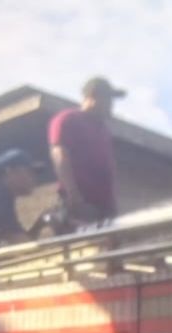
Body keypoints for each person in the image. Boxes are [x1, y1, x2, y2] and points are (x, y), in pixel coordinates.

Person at [48, 77, 125, 229]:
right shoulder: (68, 119)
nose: (111, 105)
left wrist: (112, 206)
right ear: (93, 97)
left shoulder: (103, 129)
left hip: (104, 207)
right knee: (86, 246)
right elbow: (60, 154)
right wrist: (72, 193)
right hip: (82, 204)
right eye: (109, 100)